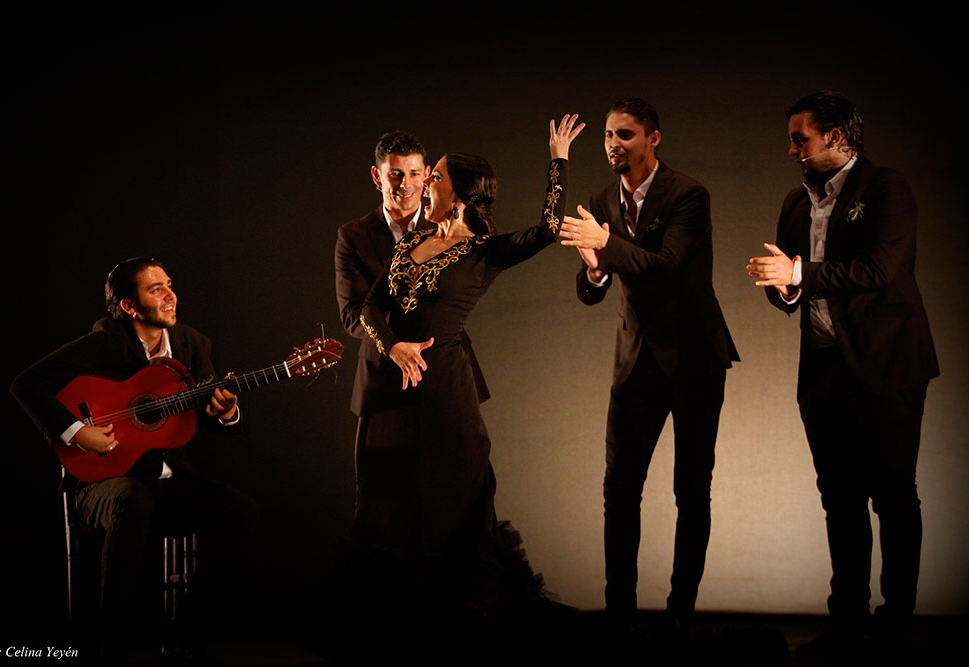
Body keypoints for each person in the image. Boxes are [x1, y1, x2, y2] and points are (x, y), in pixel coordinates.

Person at [329, 116, 583, 660]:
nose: (422, 183)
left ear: (456, 191)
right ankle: (388, 637)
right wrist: (393, 345)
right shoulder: (413, 240)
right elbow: (366, 307)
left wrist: (558, 161)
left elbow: (546, 230)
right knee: (385, 509)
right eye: (413, 175)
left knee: (448, 512)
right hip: (390, 394)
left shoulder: (486, 249)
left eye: (434, 175)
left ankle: (454, 638)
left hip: (446, 392)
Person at [747, 91, 938, 655]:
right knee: (839, 497)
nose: (791, 150)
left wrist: (799, 274)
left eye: (799, 139)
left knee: (893, 494)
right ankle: (847, 622)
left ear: (835, 136)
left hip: (887, 363)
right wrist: (784, 288)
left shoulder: (886, 188)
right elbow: (790, 285)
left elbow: (878, 271)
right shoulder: (796, 203)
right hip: (824, 367)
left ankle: (895, 625)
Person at [11, 257, 258, 664]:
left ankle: (183, 637)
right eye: (156, 289)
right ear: (129, 306)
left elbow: (211, 409)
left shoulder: (193, 345)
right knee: (133, 496)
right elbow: (27, 383)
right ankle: (110, 647)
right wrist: (78, 432)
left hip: (168, 481)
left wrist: (226, 412)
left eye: (170, 285)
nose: (170, 295)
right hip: (100, 482)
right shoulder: (108, 341)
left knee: (241, 511)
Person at [559, 98, 738, 626]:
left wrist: (606, 244)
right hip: (636, 359)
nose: (613, 144)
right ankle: (621, 616)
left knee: (691, 490)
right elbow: (592, 288)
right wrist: (595, 271)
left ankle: (681, 614)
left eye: (626, 134)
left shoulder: (688, 195)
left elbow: (669, 267)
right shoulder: (601, 200)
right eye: (608, 135)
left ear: (653, 139)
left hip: (694, 359)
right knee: (619, 489)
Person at [334, 131, 489, 523]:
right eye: (395, 175)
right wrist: (393, 344)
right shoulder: (352, 237)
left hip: (448, 381)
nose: (405, 184)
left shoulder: (456, 226)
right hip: (384, 385)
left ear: (427, 176)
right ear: (377, 176)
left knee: (458, 506)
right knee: (383, 510)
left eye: (415, 174)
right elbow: (353, 314)